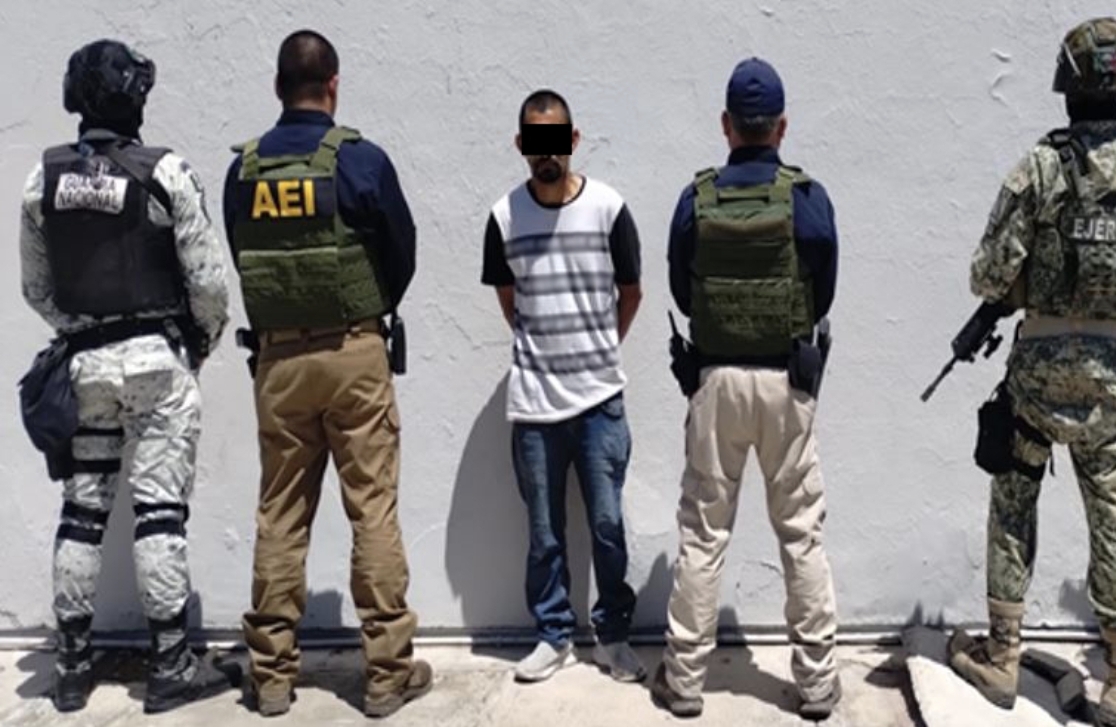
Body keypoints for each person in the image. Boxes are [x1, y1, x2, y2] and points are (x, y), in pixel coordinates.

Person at [948, 18, 1116, 727]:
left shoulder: (1038, 168)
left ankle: (1002, 654)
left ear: (1066, 84)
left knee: (1013, 504)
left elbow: (986, 274)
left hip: (1037, 378)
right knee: (1114, 520)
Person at [19, 39, 234, 714]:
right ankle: (171, 663)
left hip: (84, 367)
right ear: (134, 99)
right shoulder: (164, 171)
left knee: (82, 513)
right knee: (159, 512)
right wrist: (197, 343)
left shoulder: (42, 179)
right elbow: (208, 282)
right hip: (156, 364)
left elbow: (37, 289)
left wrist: (84, 332)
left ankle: (72, 666)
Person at [223, 29, 429, 718]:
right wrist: (364, 311)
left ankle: (272, 677)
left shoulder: (244, 171)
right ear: (333, 85)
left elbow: (243, 254)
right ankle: (387, 673)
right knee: (372, 508)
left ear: (278, 88)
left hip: (279, 361)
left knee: (280, 512)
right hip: (354, 353)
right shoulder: (360, 161)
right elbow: (401, 253)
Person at [652, 58, 841, 721]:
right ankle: (817, 684)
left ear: (726, 124)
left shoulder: (695, 199)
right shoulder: (807, 198)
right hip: (787, 382)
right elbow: (824, 289)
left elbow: (682, 289)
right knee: (801, 534)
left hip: (716, 382)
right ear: (780, 127)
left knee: (704, 535)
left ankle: (684, 682)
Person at [480, 89, 646, 684]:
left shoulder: (608, 209)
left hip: (600, 401)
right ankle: (552, 635)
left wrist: (598, 348)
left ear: (573, 140)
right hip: (535, 405)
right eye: (535, 142)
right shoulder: (503, 217)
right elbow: (510, 302)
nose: (546, 153)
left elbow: (631, 292)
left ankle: (614, 637)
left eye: (556, 140)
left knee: (607, 526)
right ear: (521, 145)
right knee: (544, 534)